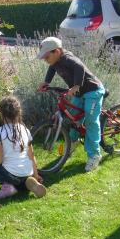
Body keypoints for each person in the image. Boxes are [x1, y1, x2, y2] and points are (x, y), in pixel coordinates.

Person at [37, 36, 106, 172]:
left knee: (91, 122)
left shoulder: (68, 59)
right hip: (79, 93)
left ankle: (94, 155)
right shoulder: (55, 61)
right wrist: (46, 82)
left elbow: (79, 67)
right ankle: (72, 144)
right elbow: (52, 68)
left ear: (56, 51)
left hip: (93, 91)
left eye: (46, 56)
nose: (45, 60)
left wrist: (76, 86)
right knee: (73, 117)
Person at [0, 96, 46, 199]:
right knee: (21, 179)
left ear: (1, 113)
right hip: (27, 171)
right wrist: (35, 174)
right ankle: (30, 182)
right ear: (18, 112)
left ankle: (7, 186)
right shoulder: (24, 129)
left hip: (11, 174)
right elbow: (31, 155)